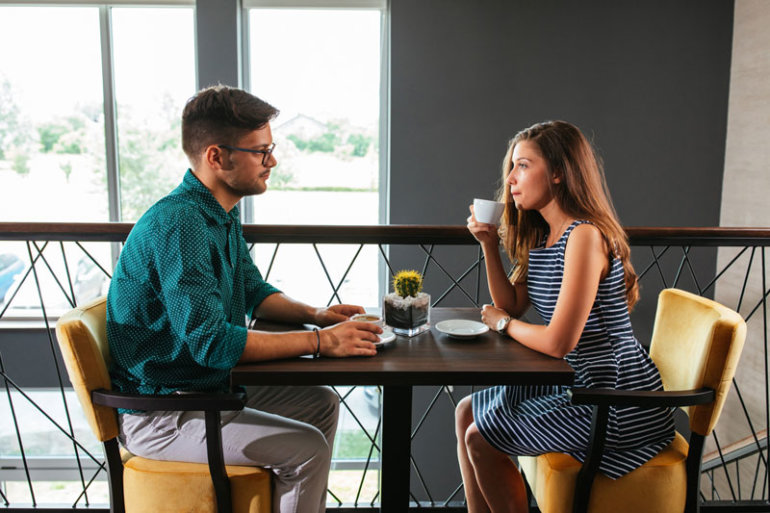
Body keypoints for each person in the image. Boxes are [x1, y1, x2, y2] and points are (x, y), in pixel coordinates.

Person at [106, 85, 381, 513]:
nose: (272, 161)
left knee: (320, 402)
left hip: (201, 389)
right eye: (260, 151)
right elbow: (213, 344)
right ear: (217, 157)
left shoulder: (218, 212)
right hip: (163, 412)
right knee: (307, 447)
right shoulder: (181, 225)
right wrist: (319, 342)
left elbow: (254, 290)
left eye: (270, 148)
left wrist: (318, 315)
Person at [455, 120, 675, 512]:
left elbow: (558, 341)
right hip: (573, 378)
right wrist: (490, 245)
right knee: (465, 412)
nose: (510, 179)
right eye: (512, 167)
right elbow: (511, 302)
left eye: (523, 165)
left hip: (614, 395)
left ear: (558, 172)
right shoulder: (546, 235)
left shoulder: (584, 236)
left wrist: (503, 326)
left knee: (478, 438)